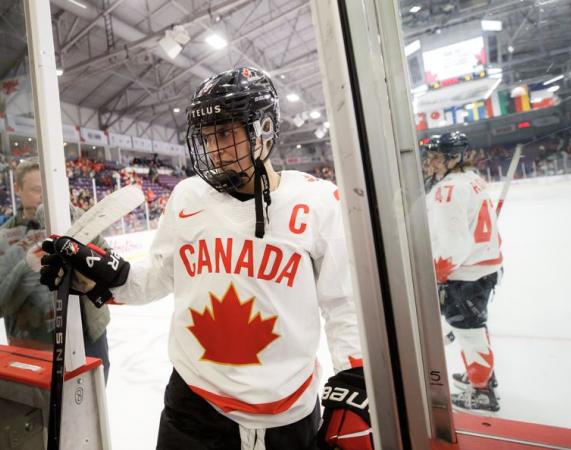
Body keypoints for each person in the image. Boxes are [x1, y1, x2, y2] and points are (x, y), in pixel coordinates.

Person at [40, 67, 371, 449]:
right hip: (193, 408)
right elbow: (155, 279)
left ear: (263, 129)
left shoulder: (318, 202)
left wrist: (354, 383)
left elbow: (344, 306)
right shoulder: (187, 196)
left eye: (226, 133)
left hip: (288, 414)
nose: (214, 149)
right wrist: (99, 275)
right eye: (208, 136)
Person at [0, 158, 112, 380]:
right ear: (18, 189)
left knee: (92, 408)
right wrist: (26, 267)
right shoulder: (4, 238)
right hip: (34, 346)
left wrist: (82, 256)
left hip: (90, 336)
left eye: (52, 189)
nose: (46, 197)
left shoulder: (79, 221)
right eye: (36, 190)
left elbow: (110, 267)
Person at [423, 132, 503, 412]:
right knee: (474, 328)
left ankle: (481, 392)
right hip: (484, 268)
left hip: (464, 274)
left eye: (436, 157)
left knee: (468, 332)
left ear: (454, 158)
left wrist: (438, 272)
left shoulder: (448, 189)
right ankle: (481, 374)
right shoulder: (472, 180)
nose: (430, 162)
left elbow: (452, 242)